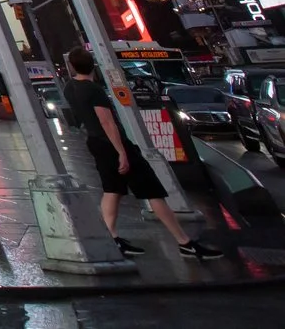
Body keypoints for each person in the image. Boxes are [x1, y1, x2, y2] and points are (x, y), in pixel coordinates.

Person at [62, 47, 221, 260]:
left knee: (113, 189)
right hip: (112, 143)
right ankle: (184, 242)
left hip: (94, 141)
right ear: (93, 65)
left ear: (72, 66)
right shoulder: (93, 90)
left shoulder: (70, 88)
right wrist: (122, 152)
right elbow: (107, 122)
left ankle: (111, 237)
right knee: (152, 190)